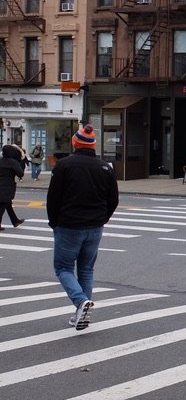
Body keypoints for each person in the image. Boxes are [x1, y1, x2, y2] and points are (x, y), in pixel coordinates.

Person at [46, 125, 119, 331]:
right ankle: (81, 312)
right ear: (93, 146)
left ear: (75, 143)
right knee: (86, 269)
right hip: (95, 226)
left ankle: (80, 302)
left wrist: (54, 222)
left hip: (69, 225)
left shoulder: (64, 166)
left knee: (63, 268)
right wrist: (103, 218)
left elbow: (53, 199)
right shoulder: (105, 167)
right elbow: (113, 199)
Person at [0, 145, 27, 229]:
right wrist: (20, 164)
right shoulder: (13, 162)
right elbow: (20, 174)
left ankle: (15, 221)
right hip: (7, 186)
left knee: (7, 204)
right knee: (2, 206)